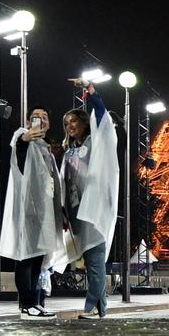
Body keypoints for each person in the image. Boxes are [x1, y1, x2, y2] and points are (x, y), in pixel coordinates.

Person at [57, 94, 119, 320]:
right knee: (93, 263)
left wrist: (92, 93)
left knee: (95, 261)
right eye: (66, 123)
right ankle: (100, 308)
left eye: (74, 121)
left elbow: (103, 120)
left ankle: (91, 307)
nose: (69, 126)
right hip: (76, 214)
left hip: (95, 210)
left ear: (85, 122)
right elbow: (65, 182)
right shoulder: (69, 151)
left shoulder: (97, 144)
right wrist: (64, 211)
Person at [0, 106, 63, 317]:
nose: (40, 120)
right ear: (28, 122)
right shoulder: (23, 137)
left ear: (49, 123)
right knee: (25, 258)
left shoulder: (46, 148)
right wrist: (24, 139)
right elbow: (18, 153)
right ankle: (26, 304)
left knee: (37, 259)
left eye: (44, 117)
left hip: (44, 212)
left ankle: (33, 302)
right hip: (28, 211)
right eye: (36, 117)